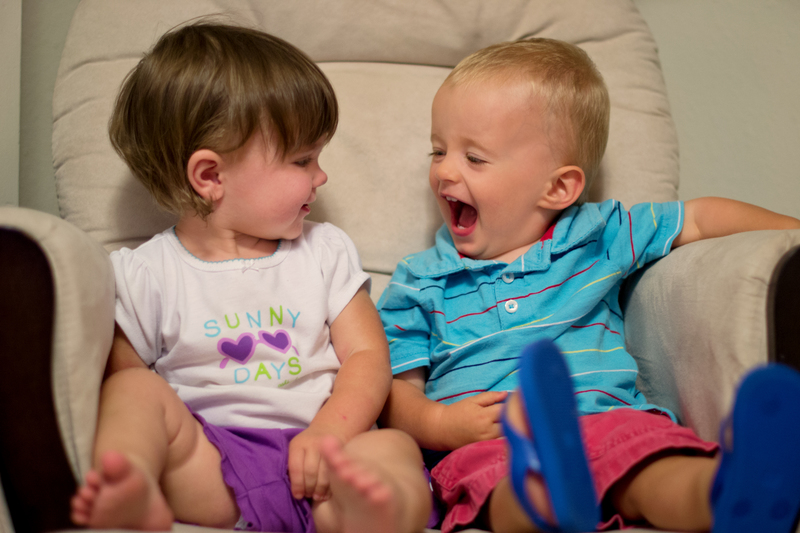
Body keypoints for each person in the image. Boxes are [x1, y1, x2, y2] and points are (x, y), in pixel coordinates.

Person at [377, 37, 800, 533]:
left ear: (558, 188)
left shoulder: (598, 234)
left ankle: (729, 492)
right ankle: (551, 497)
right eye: (438, 150)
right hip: (492, 444)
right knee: (508, 485)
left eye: (475, 158)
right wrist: (440, 425)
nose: (444, 169)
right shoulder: (421, 279)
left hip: (611, 420)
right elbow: (396, 390)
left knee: (654, 465)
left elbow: (700, 218)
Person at [69, 21, 432, 533]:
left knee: (392, 447)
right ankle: (132, 483)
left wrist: (332, 433)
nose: (321, 176)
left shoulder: (323, 251)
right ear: (211, 176)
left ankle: (372, 511)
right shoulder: (146, 273)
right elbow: (122, 380)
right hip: (216, 465)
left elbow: (368, 355)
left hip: (332, 459)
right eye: (303, 160)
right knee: (132, 393)